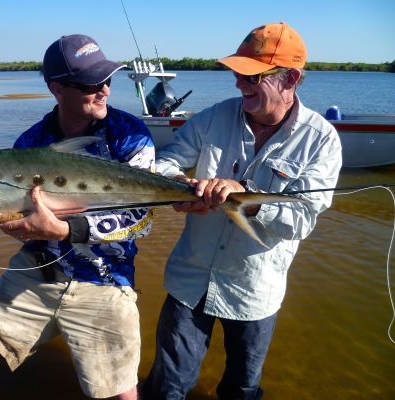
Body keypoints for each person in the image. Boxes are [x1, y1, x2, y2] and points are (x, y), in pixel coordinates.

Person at [142, 22, 342, 399]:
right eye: (237, 73)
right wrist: (183, 189)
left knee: (241, 390)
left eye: (251, 76)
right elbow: (165, 164)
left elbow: (302, 220)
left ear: (291, 79)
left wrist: (246, 196)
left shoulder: (321, 141)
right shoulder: (212, 117)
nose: (238, 83)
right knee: (166, 387)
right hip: (190, 280)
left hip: (254, 291)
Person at [0, 34, 155, 400]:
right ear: (57, 89)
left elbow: (141, 220)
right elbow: (19, 222)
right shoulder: (29, 143)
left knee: (121, 394)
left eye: (107, 80)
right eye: (91, 85)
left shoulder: (130, 135)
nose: (105, 91)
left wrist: (64, 229)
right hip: (39, 268)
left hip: (105, 276)